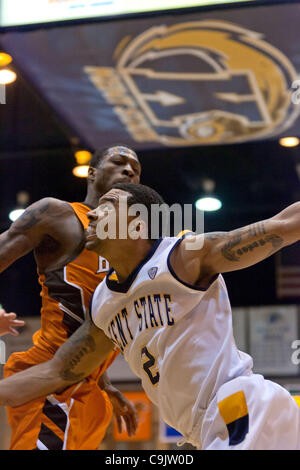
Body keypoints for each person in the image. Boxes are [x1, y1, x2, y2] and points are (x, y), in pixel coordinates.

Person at [1, 182, 300, 450]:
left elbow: (282, 226)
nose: (92, 214)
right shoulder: (103, 303)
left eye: (108, 206)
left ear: (138, 224)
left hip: (237, 405)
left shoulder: (184, 257)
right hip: (205, 429)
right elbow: (56, 372)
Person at [0, 147, 141, 450]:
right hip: (47, 380)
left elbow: (97, 318)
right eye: (118, 162)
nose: (129, 169)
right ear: (91, 173)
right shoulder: (56, 214)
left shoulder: (129, 243)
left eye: (136, 168)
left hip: (90, 389)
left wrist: (105, 383)